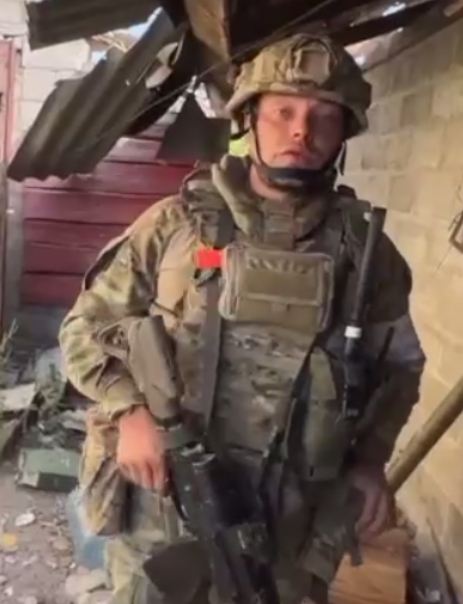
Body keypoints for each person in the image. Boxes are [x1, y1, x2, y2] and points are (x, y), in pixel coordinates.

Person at [59, 33, 425, 604]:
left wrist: (370, 462)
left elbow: (399, 369)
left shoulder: (368, 255)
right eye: (283, 112)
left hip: (289, 527)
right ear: (249, 118)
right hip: (164, 509)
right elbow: (85, 329)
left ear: (344, 133)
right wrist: (128, 412)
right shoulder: (174, 226)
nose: (300, 131)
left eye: (323, 117)